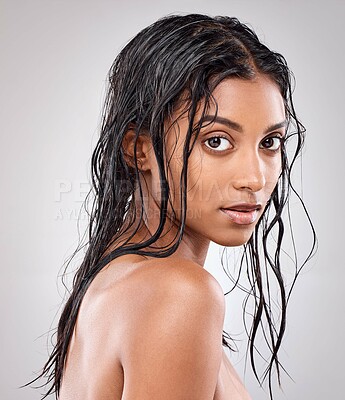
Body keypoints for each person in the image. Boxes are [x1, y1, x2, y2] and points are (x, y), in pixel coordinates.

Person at [32, 13, 316, 400]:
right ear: (139, 148)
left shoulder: (115, 279)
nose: (255, 178)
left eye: (270, 142)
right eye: (216, 141)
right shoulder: (179, 294)